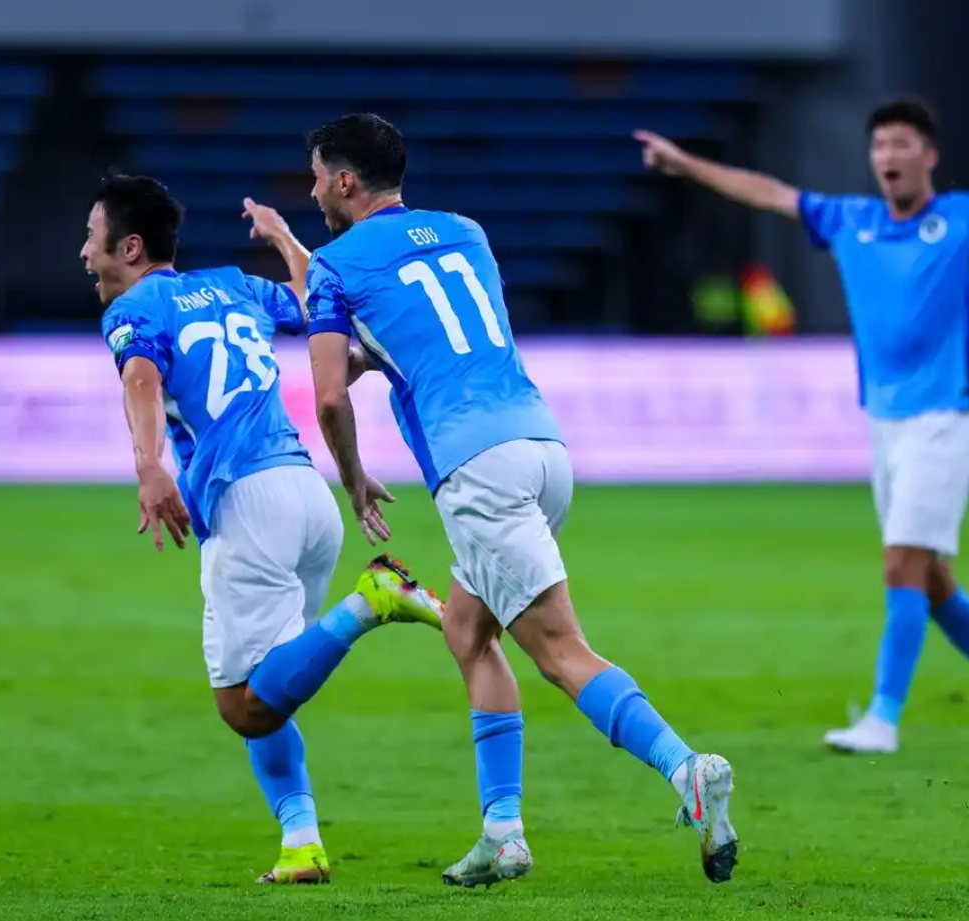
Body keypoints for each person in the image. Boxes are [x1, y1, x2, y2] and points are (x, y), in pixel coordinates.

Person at [299, 113, 738, 886]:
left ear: (343, 180)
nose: (310, 193)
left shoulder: (333, 266)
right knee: (467, 630)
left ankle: (685, 770)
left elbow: (330, 394)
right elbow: (436, 332)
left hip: (477, 467)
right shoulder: (465, 232)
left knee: (560, 652)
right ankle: (502, 834)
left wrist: (353, 473)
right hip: (540, 446)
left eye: (314, 178)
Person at [635, 99, 969, 754]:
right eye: (879, 145)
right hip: (884, 424)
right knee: (931, 581)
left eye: (901, 143)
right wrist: (686, 165)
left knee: (900, 563)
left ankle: (882, 719)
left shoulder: (959, 219)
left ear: (929, 155)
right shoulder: (850, 220)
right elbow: (767, 192)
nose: (888, 156)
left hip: (941, 416)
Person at [84, 174, 444, 883]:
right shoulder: (233, 285)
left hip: (246, 504)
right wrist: (283, 239)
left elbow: (141, 380)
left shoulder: (135, 307)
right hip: (306, 496)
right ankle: (300, 842)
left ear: (129, 248)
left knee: (242, 707)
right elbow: (316, 303)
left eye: (91, 239)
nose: (83, 254)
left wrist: (148, 466)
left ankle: (372, 599)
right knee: (269, 689)